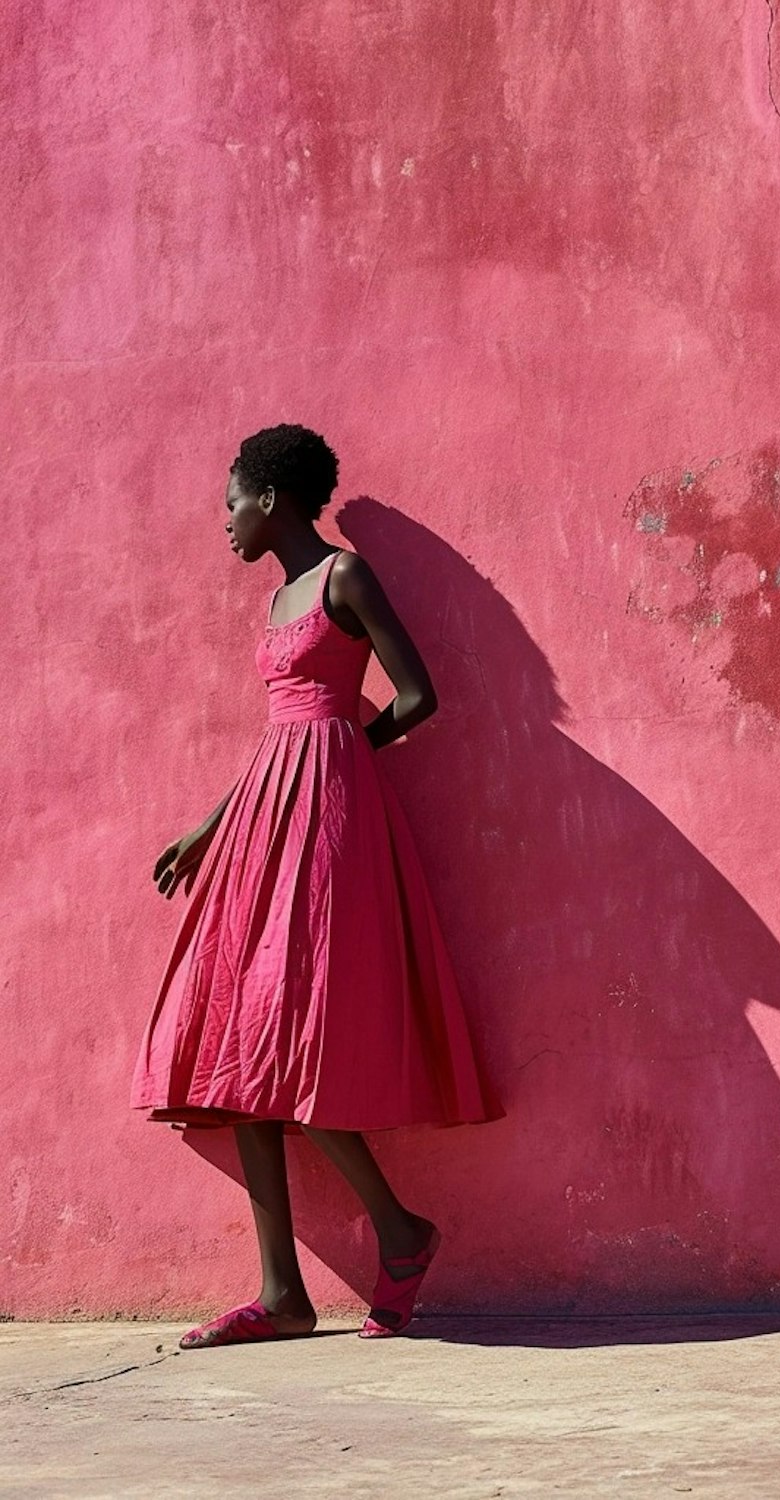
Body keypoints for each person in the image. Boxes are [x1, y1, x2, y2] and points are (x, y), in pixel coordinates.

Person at [132, 424, 499, 1348]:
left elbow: (417, 697)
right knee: (237, 1042)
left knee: (290, 1038)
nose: (224, 522)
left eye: (231, 503)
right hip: (263, 816)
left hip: (329, 823)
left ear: (271, 499)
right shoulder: (274, 603)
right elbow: (275, 734)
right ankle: (282, 1293)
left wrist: (344, 754)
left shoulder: (343, 578)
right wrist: (209, 826)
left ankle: (401, 1231)